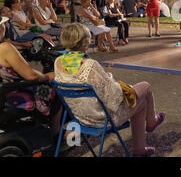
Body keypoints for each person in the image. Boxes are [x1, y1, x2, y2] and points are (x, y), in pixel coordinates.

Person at [54, 23, 165, 156]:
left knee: (140, 102)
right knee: (145, 88)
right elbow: (114, 97)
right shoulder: (90, 65)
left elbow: (78, 82)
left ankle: (142, 145)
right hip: (103, 119)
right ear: (85, 43)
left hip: (80, 117)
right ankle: (151, 123)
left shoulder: (58, 62)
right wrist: (110, 79)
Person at [0, 16, 61, 136]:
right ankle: (56, 133)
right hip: (10, 94)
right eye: (3, 24)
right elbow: (32, 76)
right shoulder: (5, 48)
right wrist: (49, 75)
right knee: (55, 91)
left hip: (6, 90)